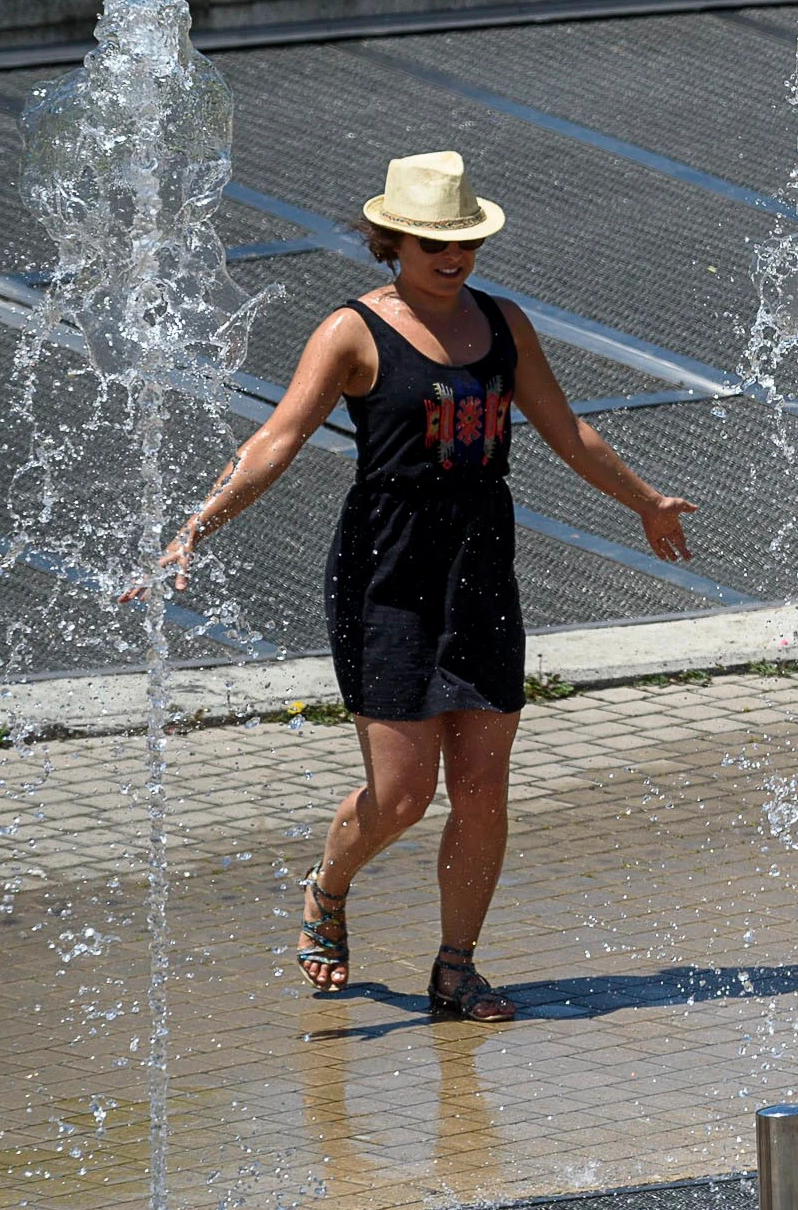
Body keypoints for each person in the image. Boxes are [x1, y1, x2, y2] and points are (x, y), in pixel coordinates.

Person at [142, 151, 699, 1022]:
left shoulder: (505, 323)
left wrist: (646, 502)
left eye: (464, 240)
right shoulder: (352, 332)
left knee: (482, 786)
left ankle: (457, 967)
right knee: (401, 795)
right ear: (391, 240)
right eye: (433, 240)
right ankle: (328, 885)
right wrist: (194, 526)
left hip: (480, 569)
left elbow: (566, 429)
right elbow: (276, 441)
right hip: (387, 576)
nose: (453, 256)